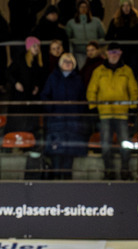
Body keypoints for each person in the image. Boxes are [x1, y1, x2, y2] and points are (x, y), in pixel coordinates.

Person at [86, 42, 138, 180]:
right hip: (105, 113)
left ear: (120, 53)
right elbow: (92, 91)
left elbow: (134, 90)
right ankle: (108, 170)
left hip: (122, 114)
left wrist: (132, 108)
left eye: (116, 52)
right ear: (107, 54)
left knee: (125, 144)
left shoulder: (127, 71)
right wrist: (93, 108)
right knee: (106, 144)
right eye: (111, 52)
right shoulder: (98, 71)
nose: (114, 55)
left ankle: (125, 169)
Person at [41, 51, 87, 179]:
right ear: (60, 63)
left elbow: (83, 99)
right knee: (56, 161)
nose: (68, 64)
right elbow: (45, 96)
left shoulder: (78, 79)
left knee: (68, 163)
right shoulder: (53, 77)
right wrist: (53, 108)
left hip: (73, 124)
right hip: (56, 123)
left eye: (70, 62)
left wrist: (78, 111)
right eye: (65, 61)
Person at [105, 0, 138, 77]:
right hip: (120, 53)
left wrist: (136, 41)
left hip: (134, 52)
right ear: (121, 7)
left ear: (131, 7)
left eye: (128, 6)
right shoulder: (115, 21)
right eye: (124, 6)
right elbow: (108, 36)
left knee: (132, 74)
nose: (126, 8)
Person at [66, 0, 105, 68]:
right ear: (78, 8)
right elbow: (67, 38)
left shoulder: (96, 21)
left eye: (85, 7)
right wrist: (74, 42)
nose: (83, 9)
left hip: (94, 53)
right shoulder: (71, 23)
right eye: (81, 7)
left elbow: (103, 36)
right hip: (79, 53)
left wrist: (98, 43)